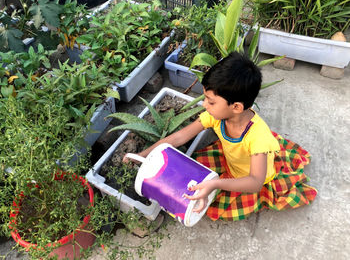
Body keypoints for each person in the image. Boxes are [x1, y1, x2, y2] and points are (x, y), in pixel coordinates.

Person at [124, 52, 317, 221]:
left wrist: (215, 183)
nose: (204, 105)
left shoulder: (258, 137)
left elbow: (255, 183)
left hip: (249, 179)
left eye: (211, 101)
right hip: (231, 162)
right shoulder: (216, 116)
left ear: (236, 107)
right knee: (194, 172)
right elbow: (177, 138)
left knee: (213, 207)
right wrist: (143, 155)